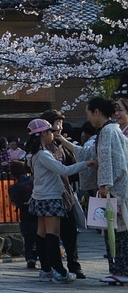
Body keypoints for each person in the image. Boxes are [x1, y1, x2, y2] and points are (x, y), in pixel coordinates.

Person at [25, 118, 92, 284]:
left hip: (39, 197)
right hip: (50, 198)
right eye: (49, 132)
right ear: (43, 134)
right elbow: (63, 170)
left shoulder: (34, 155)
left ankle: (46, 269)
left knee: (41, 234)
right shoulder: (44, 155)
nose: (52, 135)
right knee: (52, 235)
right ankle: (59, 271)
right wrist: (86, 163)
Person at [40, 108, 85, 279]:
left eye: (60, 123)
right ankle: (50, 266)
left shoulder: (62, 145)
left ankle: (74, 264)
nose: (59, 127)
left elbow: (73, 164)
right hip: (51, 194)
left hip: (65, 193)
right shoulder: (42, 149)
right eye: (56, 123)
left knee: (70, 231)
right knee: (50, 232)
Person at [87, 97, 128, 284]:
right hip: (121, 186)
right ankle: (120, 269)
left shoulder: (107, 132)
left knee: (116, 232)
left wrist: (104, 184)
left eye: (89, 112)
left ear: (96, 112)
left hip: (115, 190)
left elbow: (108, 160)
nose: (88, 117)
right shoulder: (114, 129)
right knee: (119, 231)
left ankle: (120, 270)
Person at [7, 161, 38, 269]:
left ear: (12, 173)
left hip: (25, 212)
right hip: (38, 211)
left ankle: (30, 257)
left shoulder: (13, 187)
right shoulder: (34, 181)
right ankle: (43, 257)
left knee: (28, 237)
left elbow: (14, 202)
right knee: (40, 235)